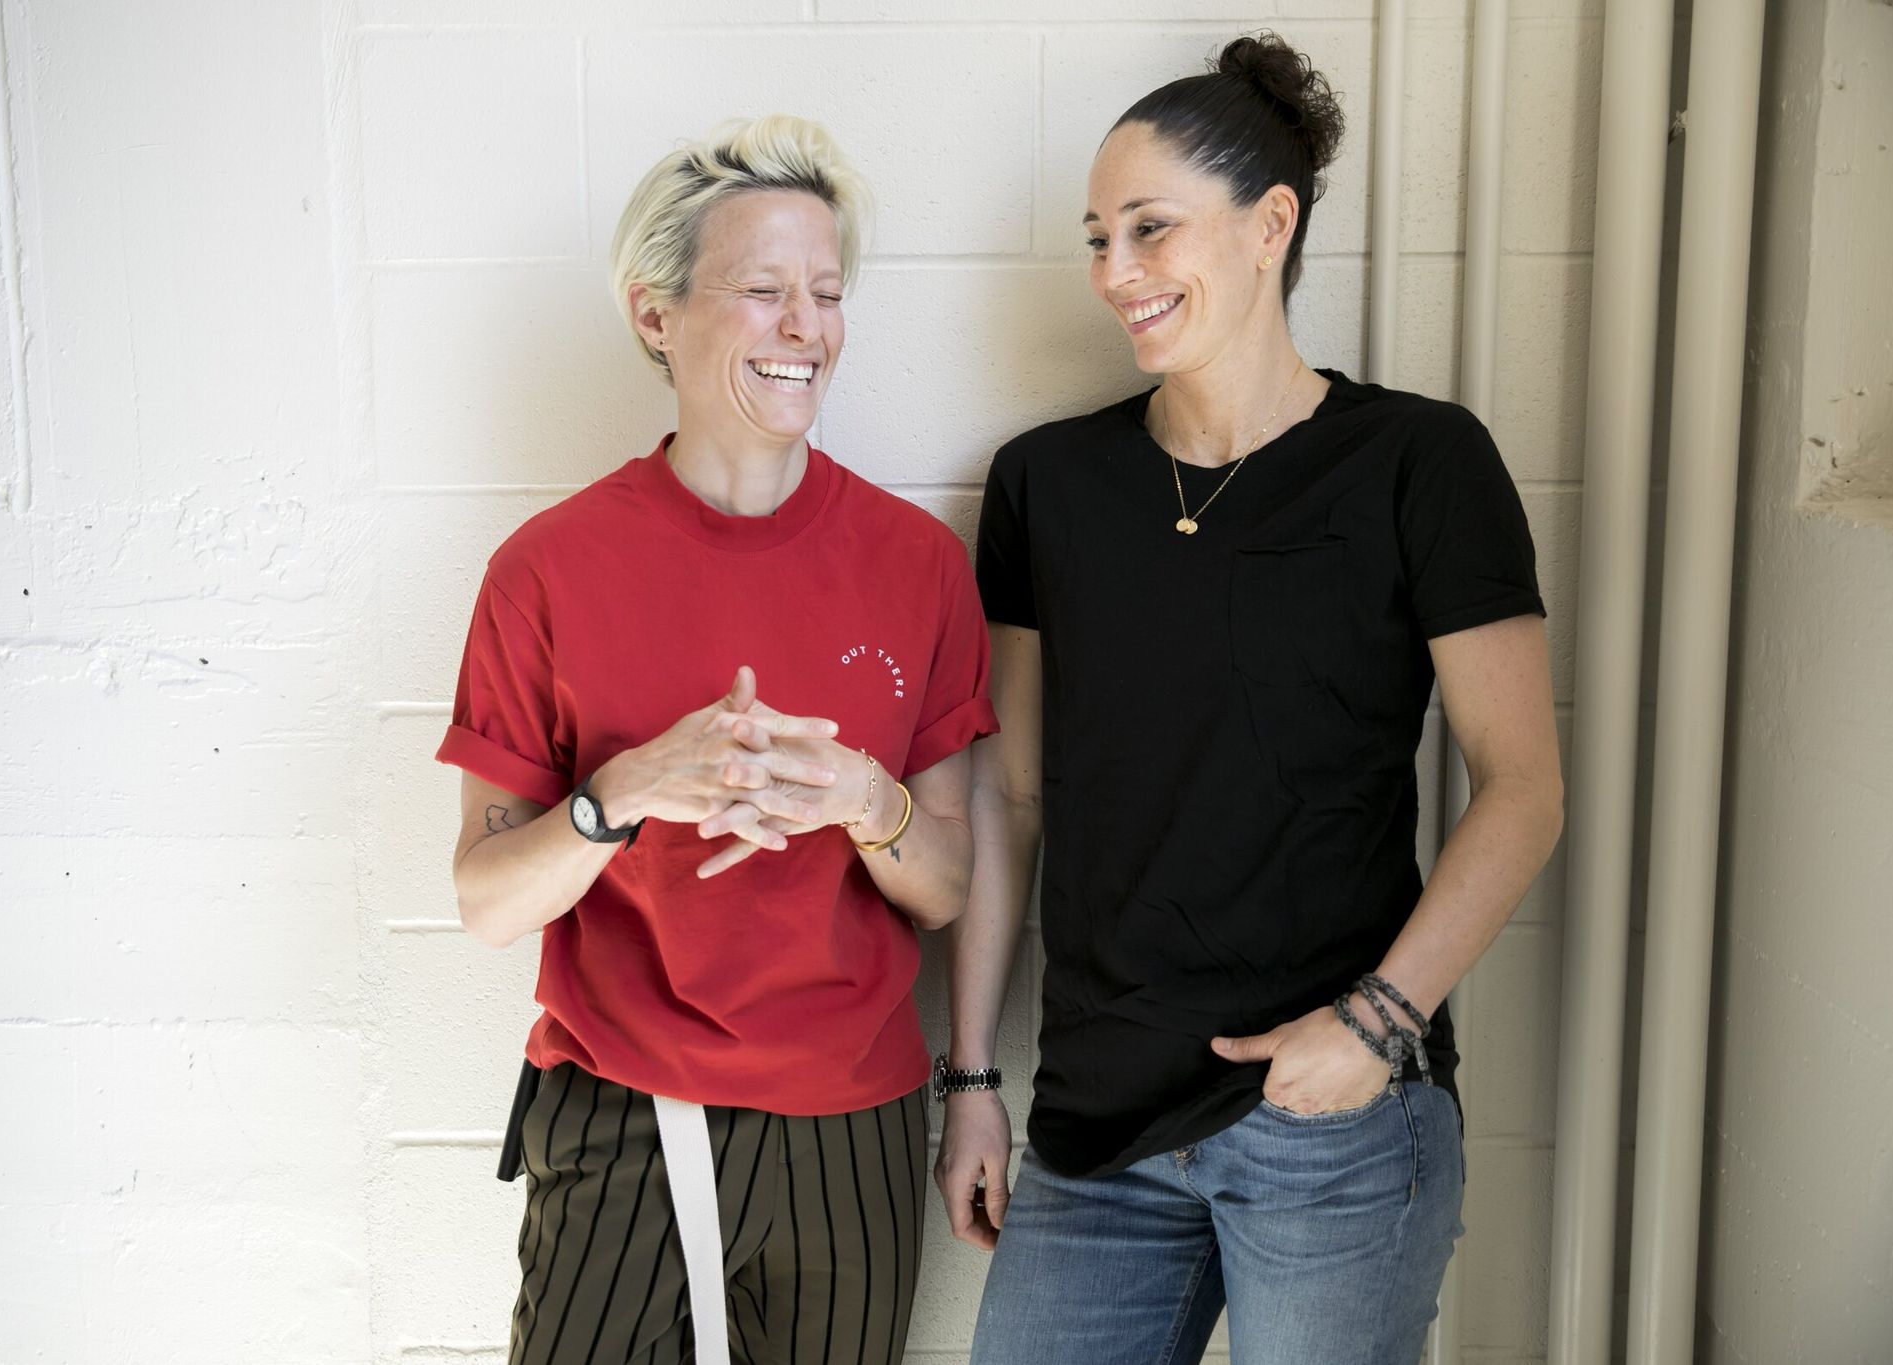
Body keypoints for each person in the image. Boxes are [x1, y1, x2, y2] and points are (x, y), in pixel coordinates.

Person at [935, 33, 1565, 1365]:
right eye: (1099, 238)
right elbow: (1012, 791)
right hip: (1093, 1130)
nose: (1116, 273)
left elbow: (1523, 785)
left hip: (1327, 1126)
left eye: (1152, 230)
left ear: (1271, 225)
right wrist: (975, 1080)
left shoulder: (1418, 465)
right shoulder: (1049, 484)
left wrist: (1377, 1024)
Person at [437, 114, 997, 1365]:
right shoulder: (545, 571)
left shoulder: (917, 565)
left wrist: (863, 798)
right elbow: (484, 900)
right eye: (762, 291)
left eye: (827, 293)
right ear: (655, 316)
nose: (806, 327)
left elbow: (948, 882)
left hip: (849, 1124)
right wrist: (623, 789)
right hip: (617, 1114)